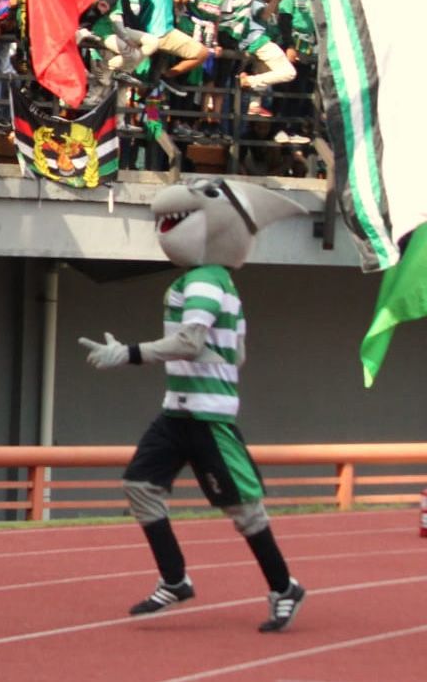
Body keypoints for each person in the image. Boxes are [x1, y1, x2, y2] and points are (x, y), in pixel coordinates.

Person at [78, 178, 308, 632]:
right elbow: (235, 351)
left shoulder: (206, 280)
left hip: (207, 415)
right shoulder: (207, 280)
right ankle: (175, 579)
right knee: (141, 486)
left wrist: (128, 353)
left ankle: (285, 587)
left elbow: (189, 341)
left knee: (244, 510)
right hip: (178, 409)